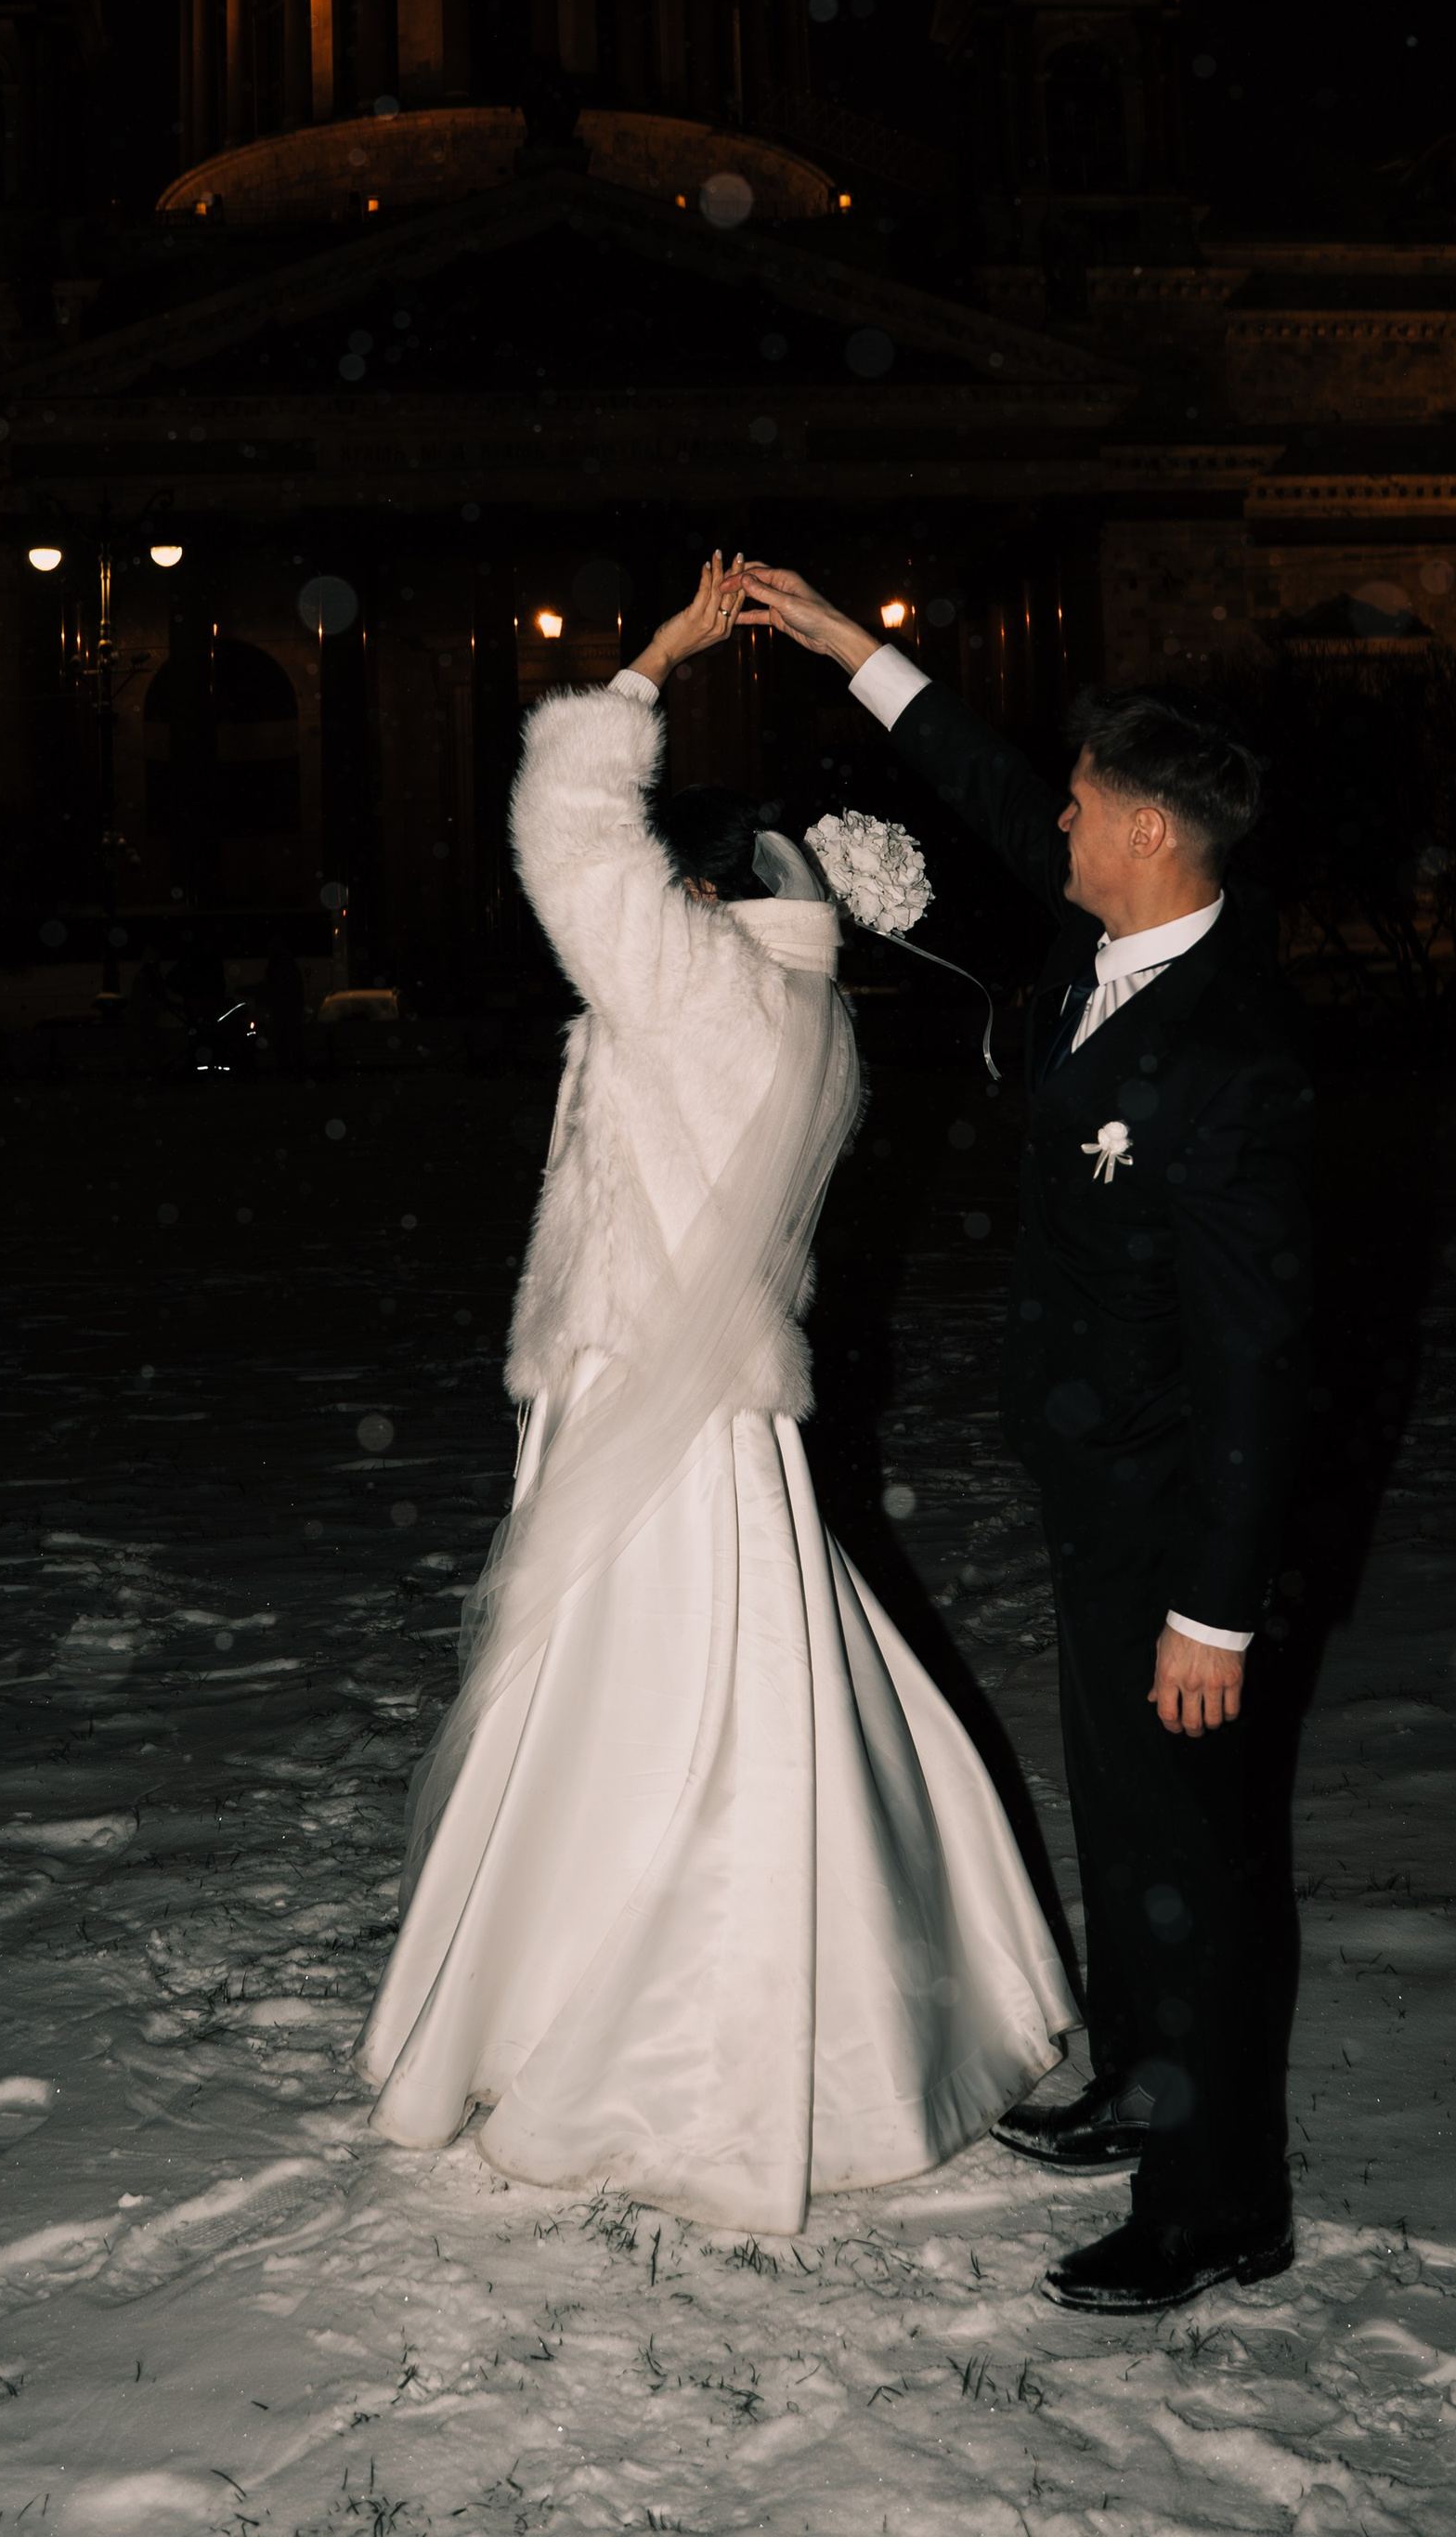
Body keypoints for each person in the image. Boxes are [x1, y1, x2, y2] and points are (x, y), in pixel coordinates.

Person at [358, 554, 1073, 2233]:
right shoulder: (806, 1012)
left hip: (641, 1400)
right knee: (755, 1691)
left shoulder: (694, 987)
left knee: (630, 1701)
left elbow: (564, 836)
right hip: (726, 1414)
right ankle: (838, 2008)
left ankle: (620, 2027)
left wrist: (648, 670)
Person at [744, 564, 1314, 2317]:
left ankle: (1217, 2201)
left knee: (1195, 1857)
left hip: (1178, 1521)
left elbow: (1265, 1358)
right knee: (1128, 1829)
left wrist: (1215, 1607)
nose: (1052, 820)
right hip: (1096, 1481)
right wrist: (856, 655)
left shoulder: (1235, 1058)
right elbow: (988, 781)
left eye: (1082, 806)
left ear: (1148, 833)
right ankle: (1141, 2085)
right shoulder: (1102, 938)